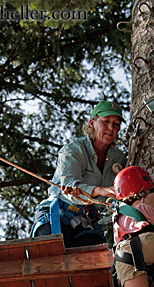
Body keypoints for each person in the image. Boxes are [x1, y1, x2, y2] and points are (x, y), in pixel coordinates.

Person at [31, 101, 126, 248]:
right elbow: (69, 186)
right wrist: (102, 191)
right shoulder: (74, 150)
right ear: (92, 123)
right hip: (59, 214)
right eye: (106, 121)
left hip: (88, 223)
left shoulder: (119, 159)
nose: (111, 128)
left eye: (116, 124)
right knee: (50, 253)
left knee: (95, 263)